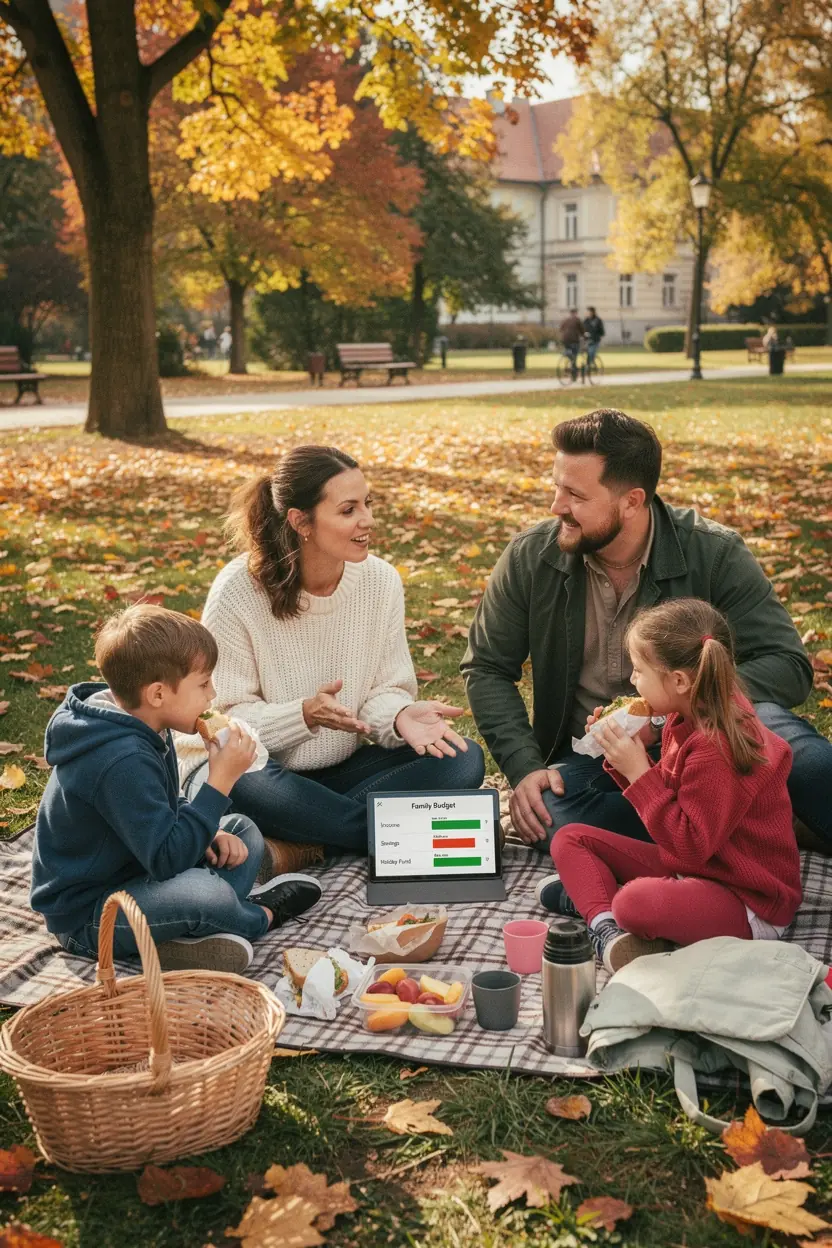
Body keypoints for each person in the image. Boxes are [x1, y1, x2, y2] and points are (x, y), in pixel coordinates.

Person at [461, 408, 826, 850]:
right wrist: (524, 768)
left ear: (632, 501)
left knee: (813, 768)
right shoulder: (529, 557)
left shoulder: (714, 552)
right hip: (599, 756)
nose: (557, 506)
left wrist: (677, 707)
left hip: (711, 732)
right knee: (550, 816)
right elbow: (486, 668)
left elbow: (787, 665)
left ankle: (714, 828)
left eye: (575, 494)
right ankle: (734, 831)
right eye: (557, 487)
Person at [191, 446, 485, 860]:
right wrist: (304, 715)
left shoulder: (380, 581)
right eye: (348, 510)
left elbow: (385, 688)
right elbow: (221, 720)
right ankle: (400, 836)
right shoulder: (238, 591)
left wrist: (400, 717)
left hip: (343, 775)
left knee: (462, 759)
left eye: (368, 503)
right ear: (300, 521)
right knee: (242, 778)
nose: (367, 520)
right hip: (266, 775)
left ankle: (303, 843)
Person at [30, 605, 322, 974]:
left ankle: (184, 935)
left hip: (140, 870)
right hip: (92, 917)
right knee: (206, 893)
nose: (212, 695)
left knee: (241, 833)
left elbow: (165, 806)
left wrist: (210, 832)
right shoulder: (120, 760)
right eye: (203, 684)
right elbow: (167, 858)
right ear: (157, 694)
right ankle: (257, 916)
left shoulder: (146, 723)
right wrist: (220, 781)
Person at [537, 599, 802, 972]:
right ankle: (608, 931)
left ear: (679, 680)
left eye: (640, 671)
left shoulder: (718, 745)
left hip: (746, 899)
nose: (633, 681)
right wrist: (623, 752)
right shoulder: (688, 714)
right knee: (570, 838)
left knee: (636, 903)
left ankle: (603, 903)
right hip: (699, 870)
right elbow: (679, 808)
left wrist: (638, 772)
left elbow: (689, 845)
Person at [559, 310, 583, 379]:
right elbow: (582, 330)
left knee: (569, 353)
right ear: (576, 313)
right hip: (574, 340)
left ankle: (568, 366)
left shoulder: (566, 320)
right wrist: (584, 335)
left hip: (565, 340)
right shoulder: (577, 320)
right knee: (575, 355)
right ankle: (574, 371)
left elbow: (561, 329)